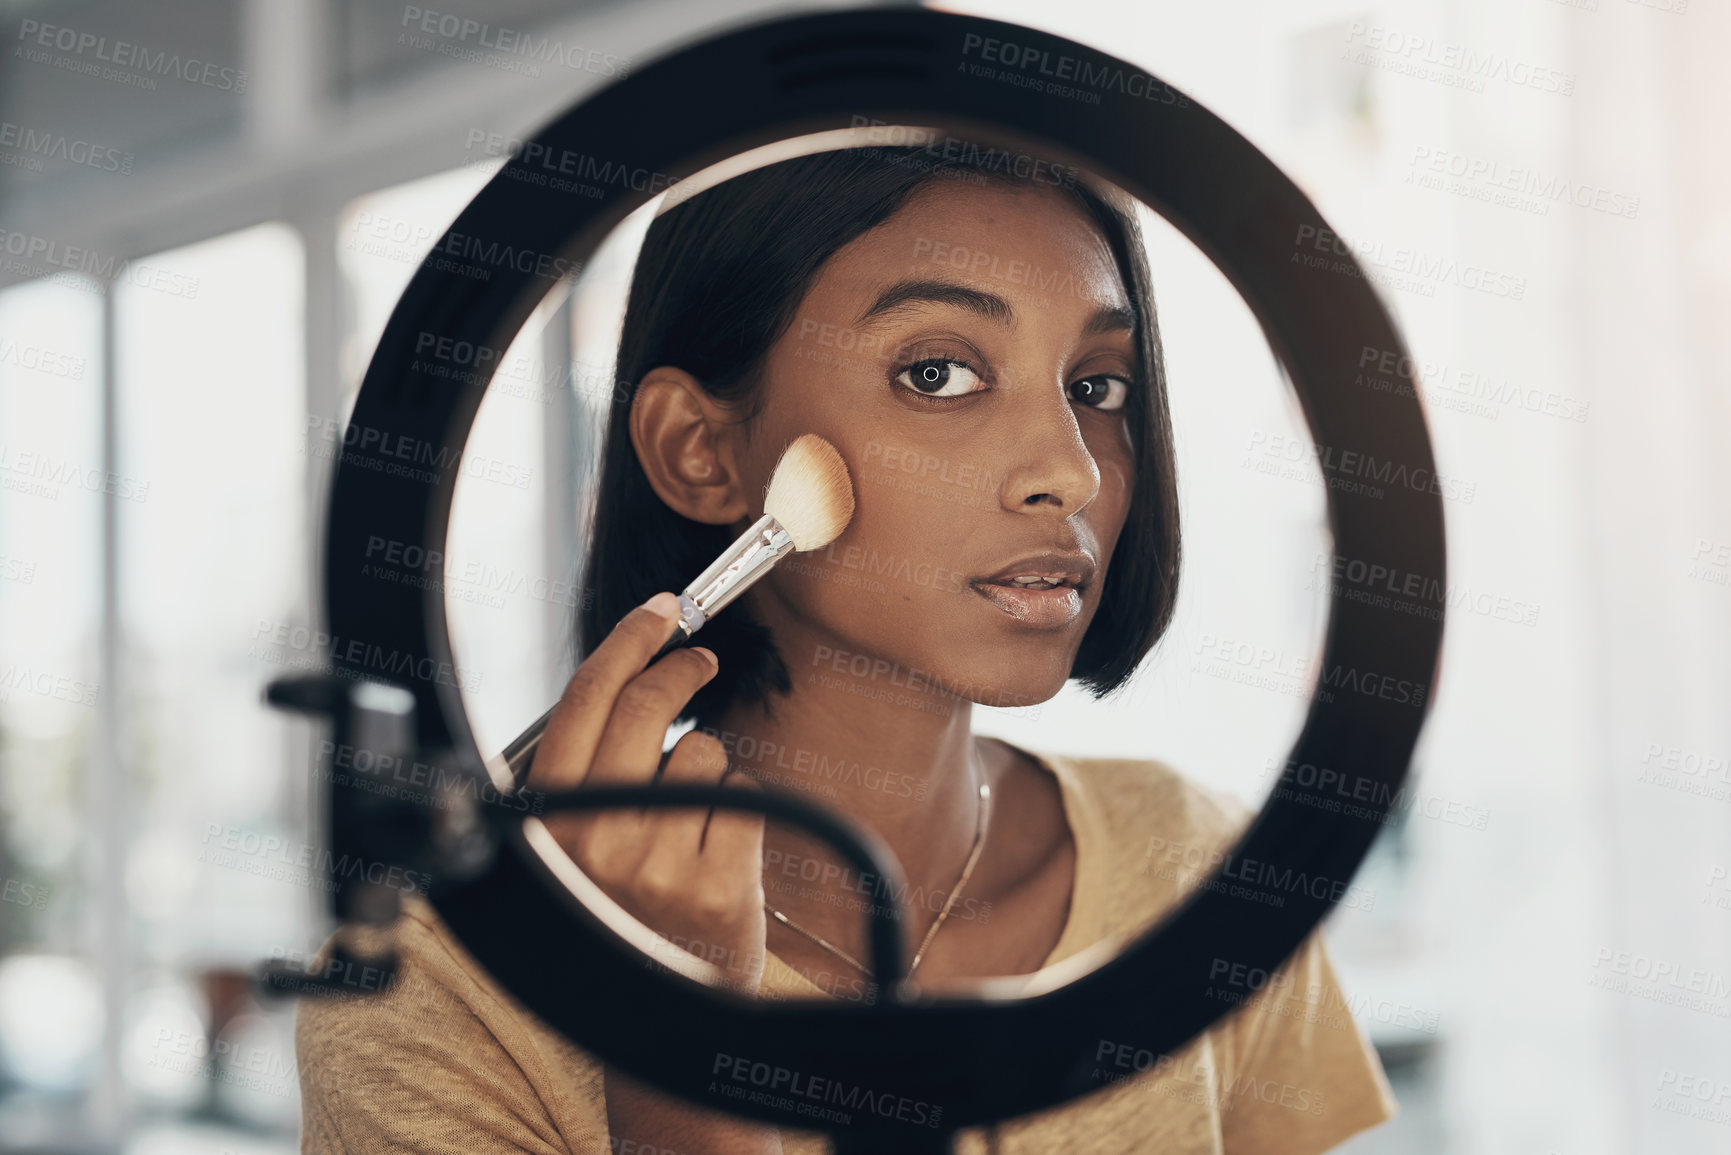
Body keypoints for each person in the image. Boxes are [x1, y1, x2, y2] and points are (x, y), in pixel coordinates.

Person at [296, 140, 1398, 1154]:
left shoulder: (1195, 867)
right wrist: (672, 1032)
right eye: (937, 372)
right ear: (701, 451)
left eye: (1095, 387)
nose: (1074, 470)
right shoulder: (430, 988)